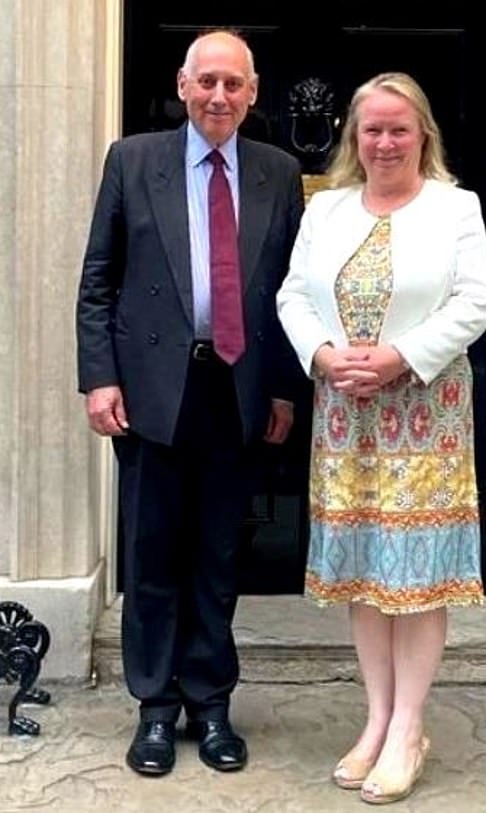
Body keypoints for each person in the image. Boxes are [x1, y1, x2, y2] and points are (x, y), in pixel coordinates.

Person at [76, 30, 304, 776]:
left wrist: (281, 386)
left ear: (253, 90)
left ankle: (210, 702)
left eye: (232, 84)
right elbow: (99, 278)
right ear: (181, 85)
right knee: (151, 553)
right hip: (149, 390)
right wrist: (99, 376)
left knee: (216, 555)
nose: (218, 96)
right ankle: (153, 707)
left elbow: (291, 294)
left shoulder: (278, 170)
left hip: (236, 388)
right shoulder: (133, 159)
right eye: (206, 81)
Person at [277, 72, 486, 804]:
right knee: (367, 569)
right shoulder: (328, 208)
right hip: (345, 416)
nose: (384, 141)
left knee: (414, 572)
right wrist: (323, 354)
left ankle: (409, 725)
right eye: (371, 128)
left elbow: (477, 299)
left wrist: (402, 356)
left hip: (424, 415)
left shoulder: (455, 206)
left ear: (423, 134)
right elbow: (291, 293)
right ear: (354, 138)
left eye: (399, 128)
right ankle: (376, 719)